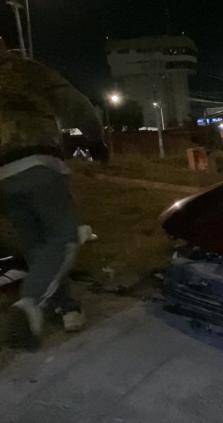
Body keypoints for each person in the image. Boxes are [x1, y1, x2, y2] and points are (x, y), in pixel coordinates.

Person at [0, 39, 107, 348]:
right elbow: (75, 104)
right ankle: (29, 305)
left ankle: (65, 306)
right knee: (64, 237)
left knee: (37, 245)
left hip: (2, 177)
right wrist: (95, 139)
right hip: (37, 162)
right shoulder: (25, 70)